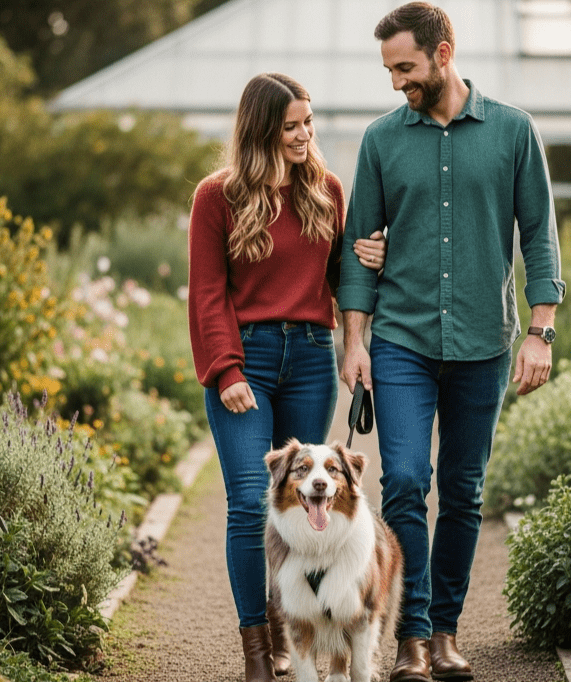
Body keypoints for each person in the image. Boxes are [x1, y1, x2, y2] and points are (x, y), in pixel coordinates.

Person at [337, 4, 566, 681]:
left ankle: (444, 633)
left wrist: (541, 332)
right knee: (405, 481)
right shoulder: (381, 140)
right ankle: (409, 638)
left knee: (463, 491)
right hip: (401, 339)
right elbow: (358, 247)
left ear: (443, 53)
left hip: (483, 342)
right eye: (389, 70)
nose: (396, 82)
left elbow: (540, 236)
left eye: (405, 67)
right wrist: (355, 340)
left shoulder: (514, 132)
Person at [187, 72, 386, 682]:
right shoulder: (216, 197)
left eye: (308, 123)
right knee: (251, 502)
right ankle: (256, 647)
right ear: (260, 132)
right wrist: (225, 369)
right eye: (291, 127)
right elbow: (207, 292)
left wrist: (367, 273)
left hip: (309, 359)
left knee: (303, 499)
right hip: (244, 360)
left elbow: (341, 278)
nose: (304, 135)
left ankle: (286, 632)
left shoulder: (325, 190)